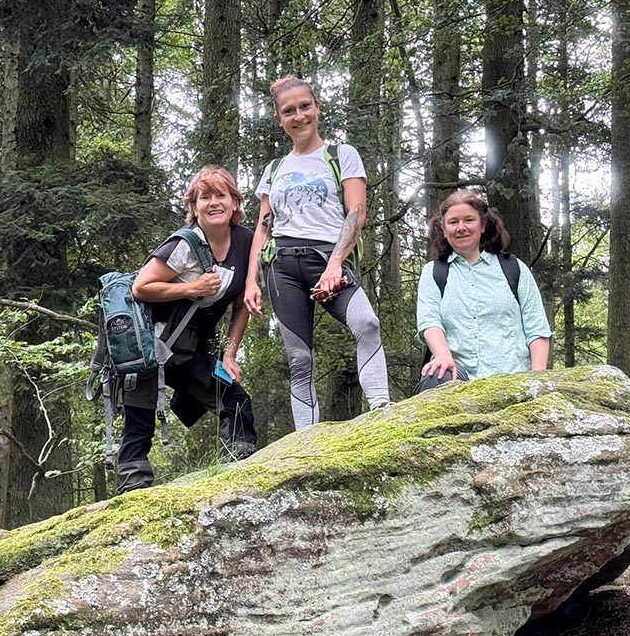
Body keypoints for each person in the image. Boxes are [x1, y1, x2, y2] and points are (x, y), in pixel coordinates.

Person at [244, 76, 390, 430]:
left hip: (328, 257)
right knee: (299, 357)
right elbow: (263, 227)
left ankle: (383, 410)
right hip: (282, 266)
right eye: (289, 111)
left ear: (317, 109)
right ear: (280, 119)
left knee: (366, 323)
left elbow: (357, 212)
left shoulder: (342, 155)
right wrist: (251, 281)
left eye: (305, 107)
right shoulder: (274, 169)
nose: (299, 116)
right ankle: (306, 440)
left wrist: (335, 263)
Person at [116, 166, 258, 493]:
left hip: (195, 348)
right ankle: (131, 495)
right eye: (204, 197)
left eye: (221, 195)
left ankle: (240, 477)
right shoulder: (184, 244)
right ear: (193, 207)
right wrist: (191, 287)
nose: (213, 203)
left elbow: (241, 305)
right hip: (151, 343)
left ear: (235, 202)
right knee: (139, 422)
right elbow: (141, 287)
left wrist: (230, 354)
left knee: (236, 401)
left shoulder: (246, 241)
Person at [415, 189, 552, 393]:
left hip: (513, 381)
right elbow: (429, 321)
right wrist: (443, 356)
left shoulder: (514, 268)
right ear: (443, 229)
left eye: (469, 220)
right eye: (453, 222)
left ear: (483, 225)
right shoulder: (433, 273)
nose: (461, 228)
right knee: (435, 376)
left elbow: (537, 328)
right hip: (457, 383)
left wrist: (537, 380)